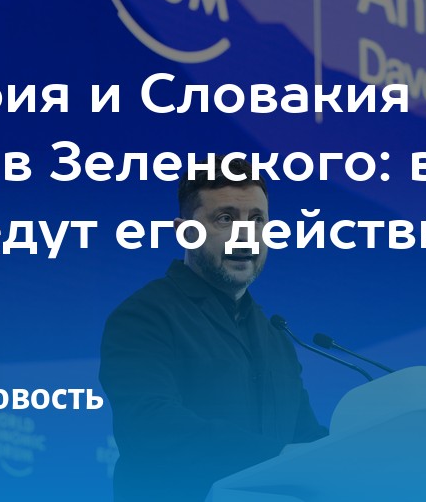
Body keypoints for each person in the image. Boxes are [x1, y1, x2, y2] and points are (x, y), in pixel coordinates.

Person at [100, 156, 328, 501]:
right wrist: (280, 458)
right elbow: (150, 427)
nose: (245, 235)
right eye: (225, 219)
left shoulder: (276, 338)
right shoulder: (143, 316)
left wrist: (351, 459)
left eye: (257, 220)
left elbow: (305, 437)